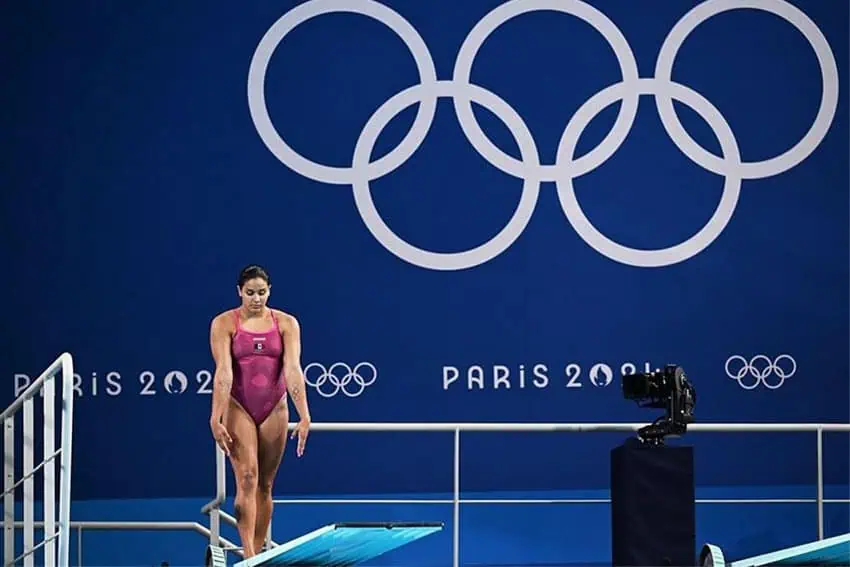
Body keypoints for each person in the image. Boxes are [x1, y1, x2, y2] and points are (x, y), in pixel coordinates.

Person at [208, 264, 311, 558]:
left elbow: (292, 369)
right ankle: (250, 556)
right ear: (239, 292)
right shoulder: (224, 323)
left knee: (265, 483)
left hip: (274, 407)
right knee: (248, 477)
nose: (256, 298)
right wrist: (215, 417)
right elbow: (224, 373)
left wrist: (304, 414)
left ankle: (260, 554)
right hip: (239, 405)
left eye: (262, 293)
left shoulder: (286, 323)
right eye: (250, 293)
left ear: (270, 292)